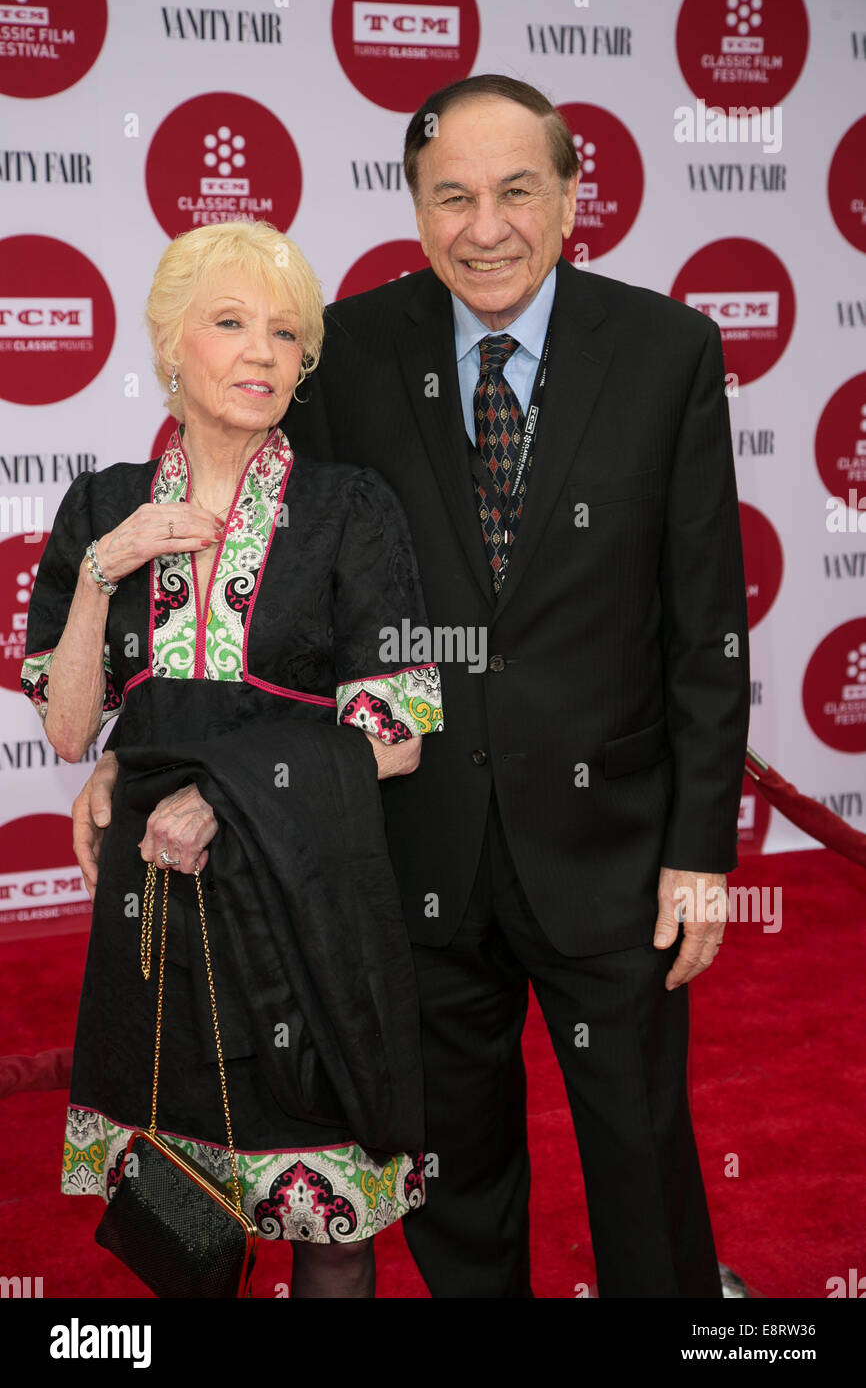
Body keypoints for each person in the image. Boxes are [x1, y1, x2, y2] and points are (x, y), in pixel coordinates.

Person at [73, 75, 750, 1298]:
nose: (482, 226)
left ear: (570, 196)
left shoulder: (665, 351)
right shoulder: (346, 351)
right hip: (407, 846)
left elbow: (703, 625)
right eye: (451, 196)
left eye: (514, 192)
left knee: (640, 1157)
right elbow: (273, 605)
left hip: (611, 846)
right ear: (415, 206)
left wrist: (698, 850)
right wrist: (142, 754)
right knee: (452, 1170)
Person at [21, 219, 443, 1299]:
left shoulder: (351, 509)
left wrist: (226, 790)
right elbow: (71, 732)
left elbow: (393, 731)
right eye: (230, 322)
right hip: (152, 916)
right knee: (183, 1221)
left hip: (303, 899)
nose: (264, 352)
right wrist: (98, 577)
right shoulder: (100, 507)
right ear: (170, 344)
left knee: (329, 1223)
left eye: (287, 334)